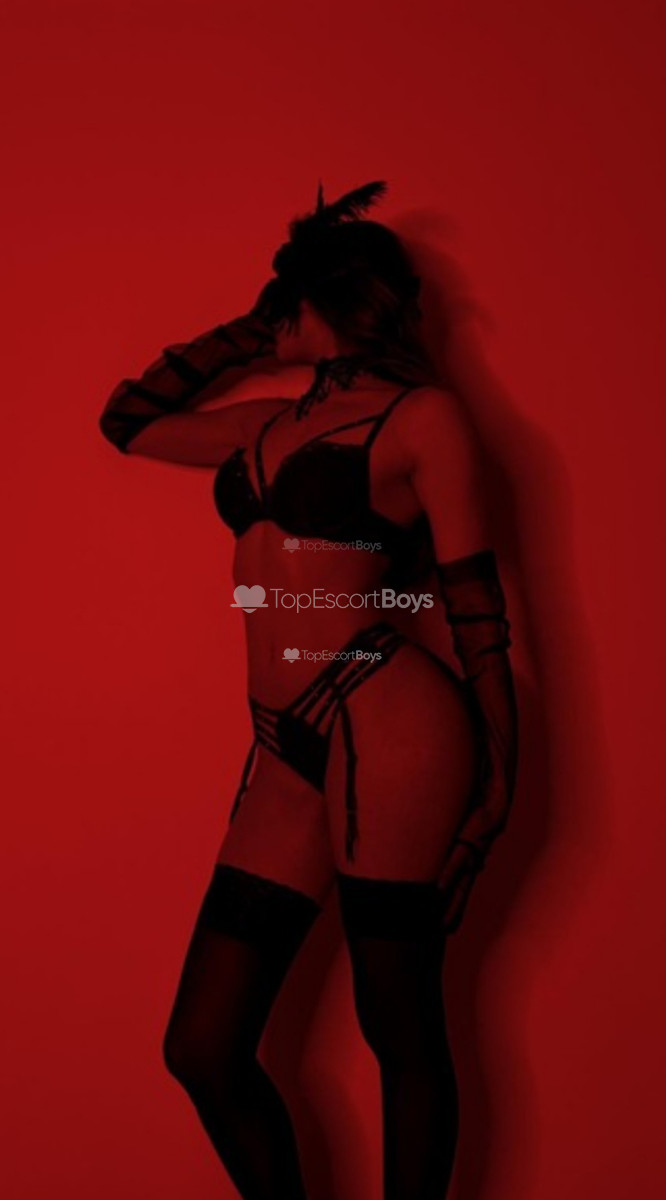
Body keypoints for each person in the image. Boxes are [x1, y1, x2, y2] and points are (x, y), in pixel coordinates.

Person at [99, 180, 519, 1200]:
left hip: (389, 715)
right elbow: (127, 420)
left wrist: (499, 784)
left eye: (283, 297)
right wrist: (254, 334)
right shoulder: (261, 425)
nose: (270, 314)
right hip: (282, 740)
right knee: (203, 1044)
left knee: (398, 1023)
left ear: (332, 298)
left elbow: (480, 614)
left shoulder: (424, 420)